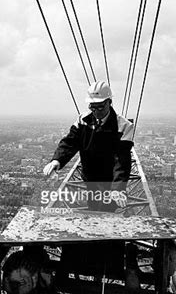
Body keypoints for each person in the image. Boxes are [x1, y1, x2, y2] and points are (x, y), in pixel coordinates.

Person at [43, 81, 134, 212]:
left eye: (100, 107)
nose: (96, 111)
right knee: (95, 207)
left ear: (109, 102)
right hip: (90, 177)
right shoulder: (83, 120)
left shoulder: (124, 126)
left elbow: (122, 159)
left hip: (109, 179)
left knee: (104, 212)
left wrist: (118, 188)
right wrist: (57, 160)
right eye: (93, 107)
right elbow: (70, 142)